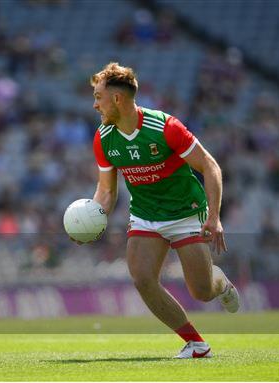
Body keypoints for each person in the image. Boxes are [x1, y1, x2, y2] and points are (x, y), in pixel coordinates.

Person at [88, 62, 239, 359]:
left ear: (117, 99)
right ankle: (196, 344)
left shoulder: (165, 127)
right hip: (145, 215)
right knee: (142, 278)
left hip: (186, 213)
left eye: (98, 97)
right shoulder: (104, 138)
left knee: (202, 291)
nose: (95, 105)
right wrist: (91, 220)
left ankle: (219, 282)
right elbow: (106, 191)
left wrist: (214, 217)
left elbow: (210, 166)